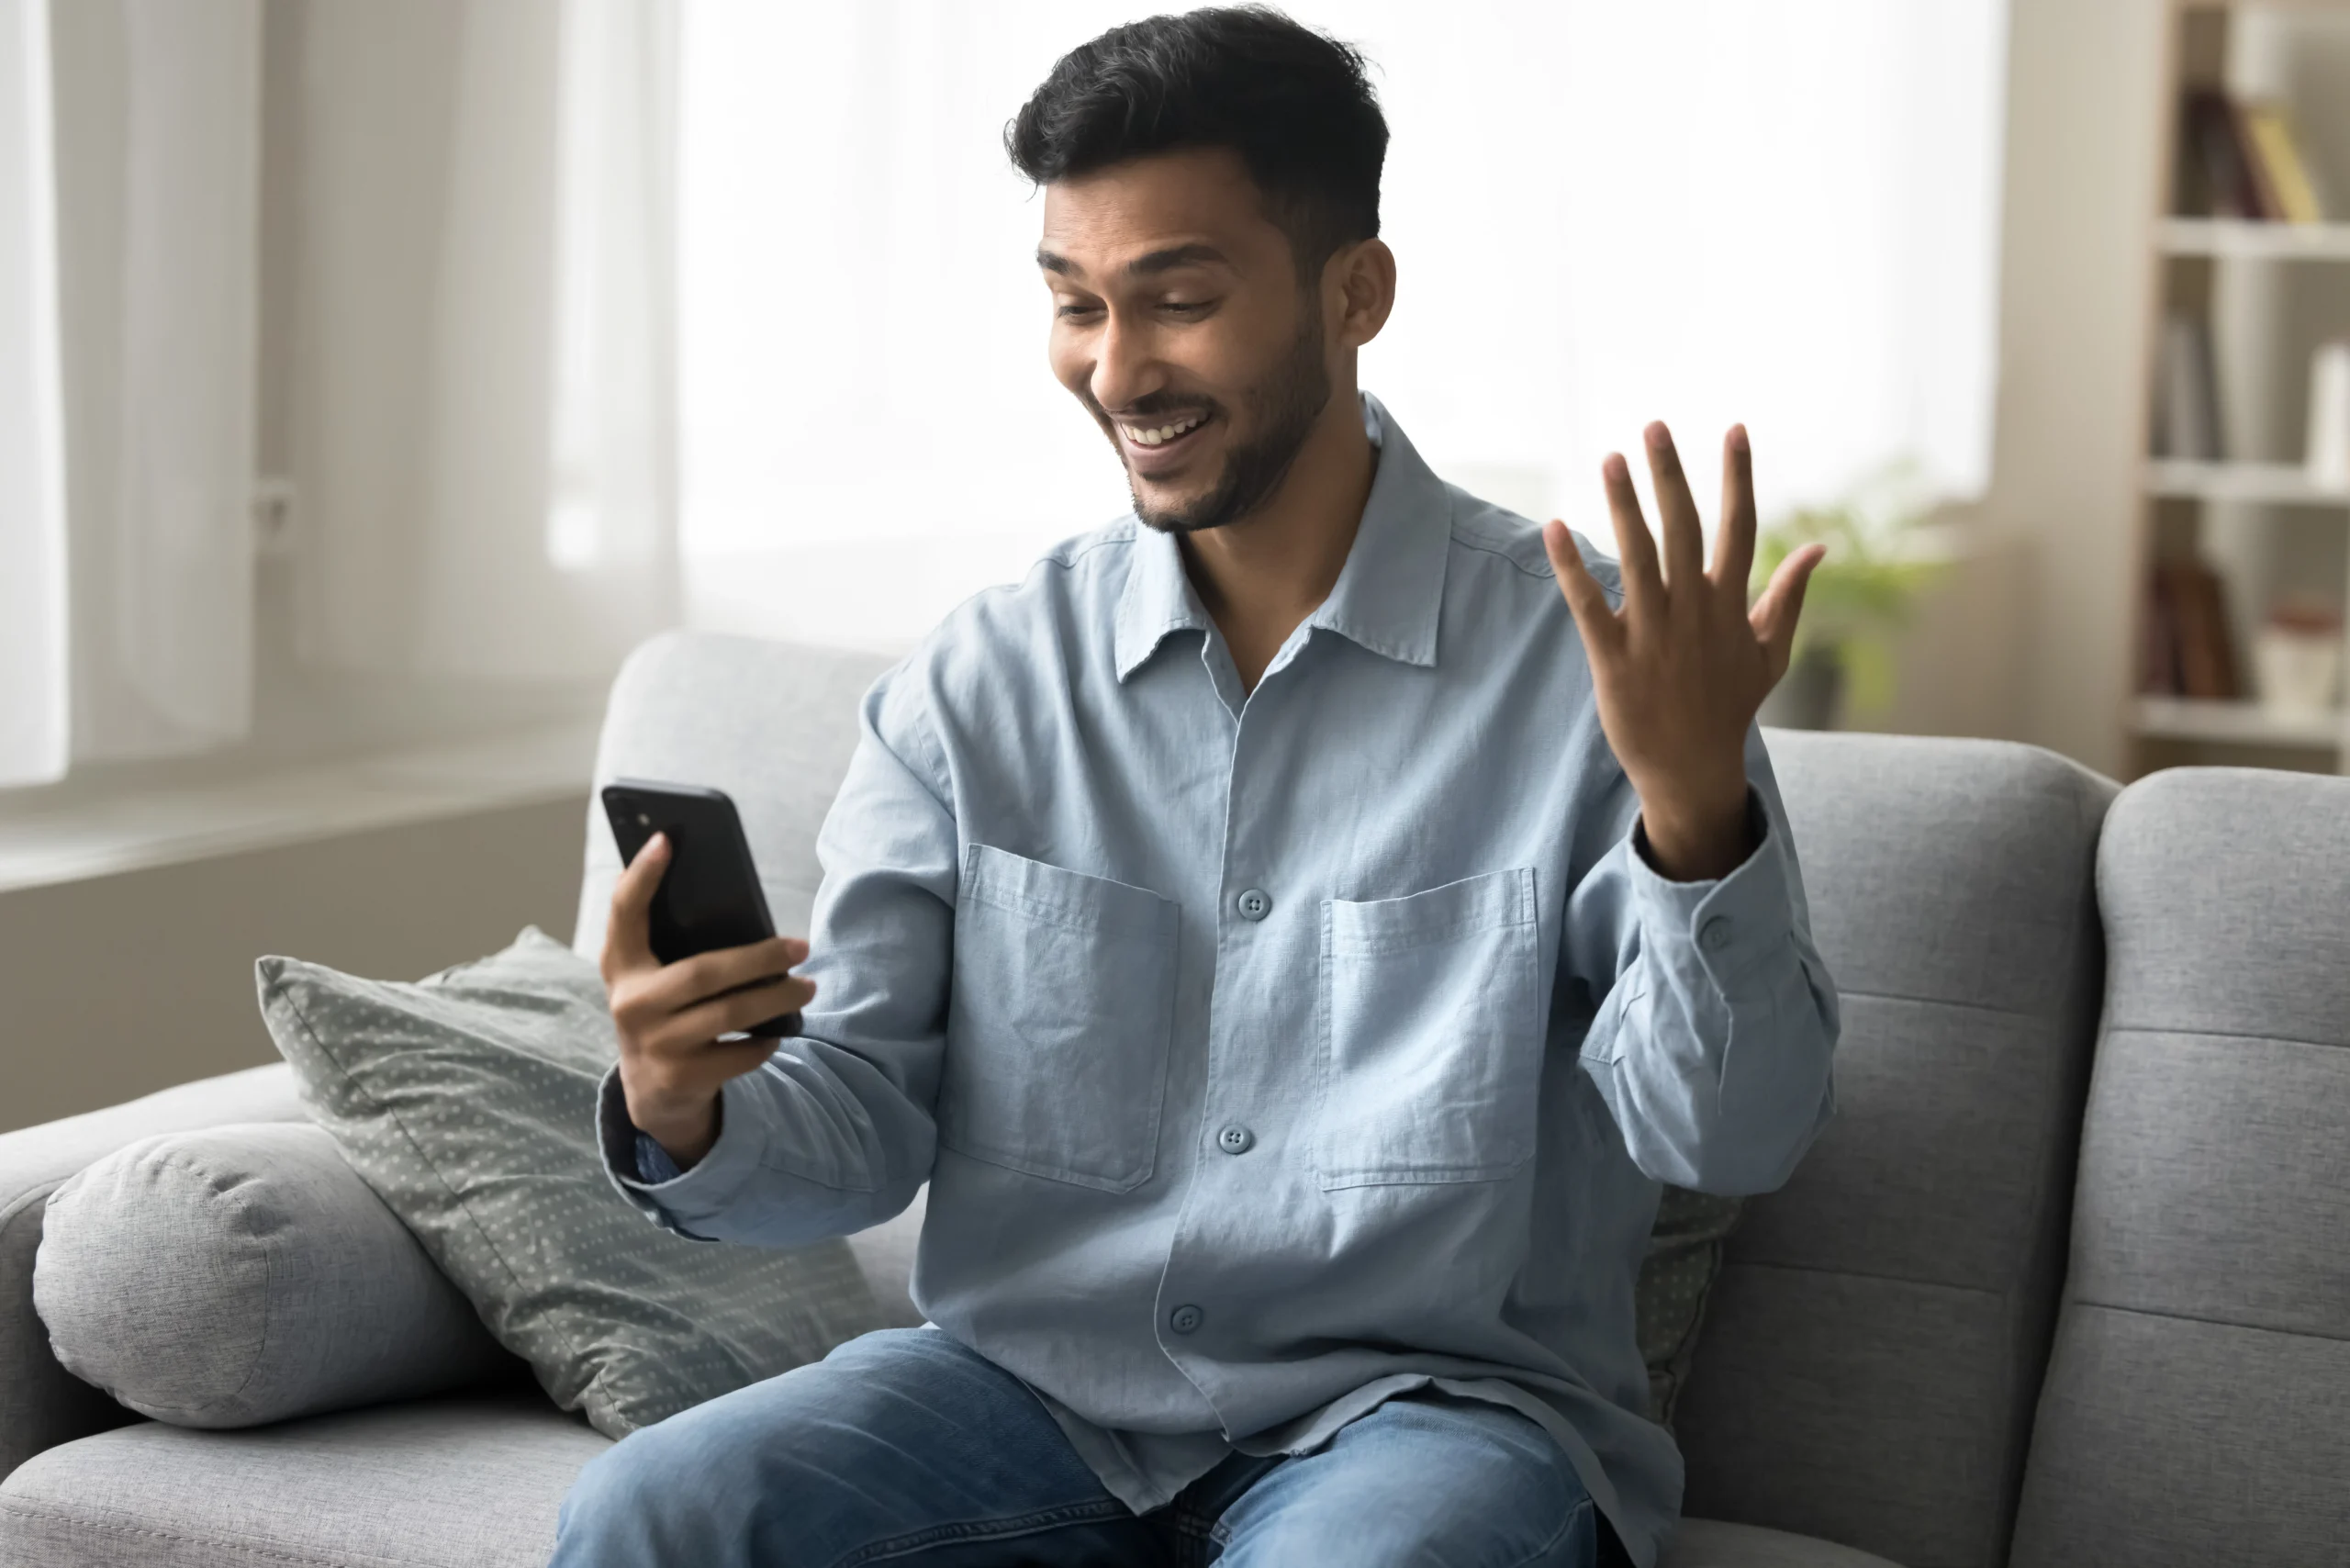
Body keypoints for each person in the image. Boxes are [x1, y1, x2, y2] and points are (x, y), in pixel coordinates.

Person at [548, 8, 1838, 1566]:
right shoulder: (977, 690)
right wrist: (685, 1100)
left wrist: (1696, 820)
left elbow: (1726, 1140)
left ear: (1354, 292)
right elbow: (864, 1121)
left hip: (1432, 1421)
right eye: (1076, 303)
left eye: (1178, 299)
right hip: (1023, 1395)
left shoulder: (1603, 677)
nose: (1116, 366)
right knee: (654, 1511)